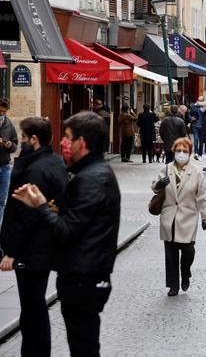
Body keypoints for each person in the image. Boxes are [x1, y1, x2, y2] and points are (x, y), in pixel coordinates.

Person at [12, 111, 120, 357]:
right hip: (83, 275)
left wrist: (41, 206)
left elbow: (67, 230)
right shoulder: (89, 173)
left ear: (82, 142)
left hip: (84, 277)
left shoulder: (92, 178)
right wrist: (48, 207)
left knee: (84, 348)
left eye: (69, 137)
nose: (64, 142)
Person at [0, 117, 67, 356]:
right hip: (43, 246)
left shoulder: (35, 170)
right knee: (33, 306)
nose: (23, 142)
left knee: (32, 307)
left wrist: (11, 252)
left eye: (25, 138)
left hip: (32, 249)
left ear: (34, 140)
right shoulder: (54, 161)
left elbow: (25, 214)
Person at [152, 137, 206, 296]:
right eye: (179, 150)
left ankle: (185, 271)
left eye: (185, 151)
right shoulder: (166, 169)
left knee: (188, 251)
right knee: (170, 253)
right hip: (169, 217)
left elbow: (203, 195)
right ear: (174, 151)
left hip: (188, 218)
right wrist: (158, 185)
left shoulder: (197, 172)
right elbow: (154, 186)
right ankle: (173, 285)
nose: (181, 153)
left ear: (190, 153)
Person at [0, 99, 17, 225]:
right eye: (0, 111)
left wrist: (9, 145)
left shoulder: (9, 124)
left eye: (4, 112)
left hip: (5, 167)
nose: (2, 114)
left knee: (2, 200)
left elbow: (15, 144)